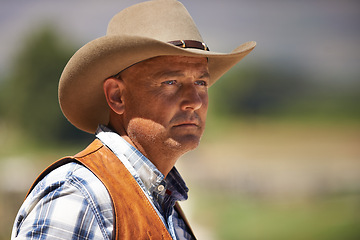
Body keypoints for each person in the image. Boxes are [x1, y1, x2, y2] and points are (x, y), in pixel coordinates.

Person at [11, 0, 255, 239]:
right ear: (117, 96)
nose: (195, 101)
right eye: (171, 82)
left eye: (201, 82)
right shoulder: (79, 196)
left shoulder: (160, 201)